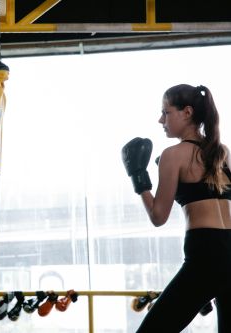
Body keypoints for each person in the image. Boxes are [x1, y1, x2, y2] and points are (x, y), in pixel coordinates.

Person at [121, 84, 231, 332]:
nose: (161, 119)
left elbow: (158, 216)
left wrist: (139, 179)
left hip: (205, 254)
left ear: (187, 112)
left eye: (166, 112)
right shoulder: (221, 152)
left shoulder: (173, 155)